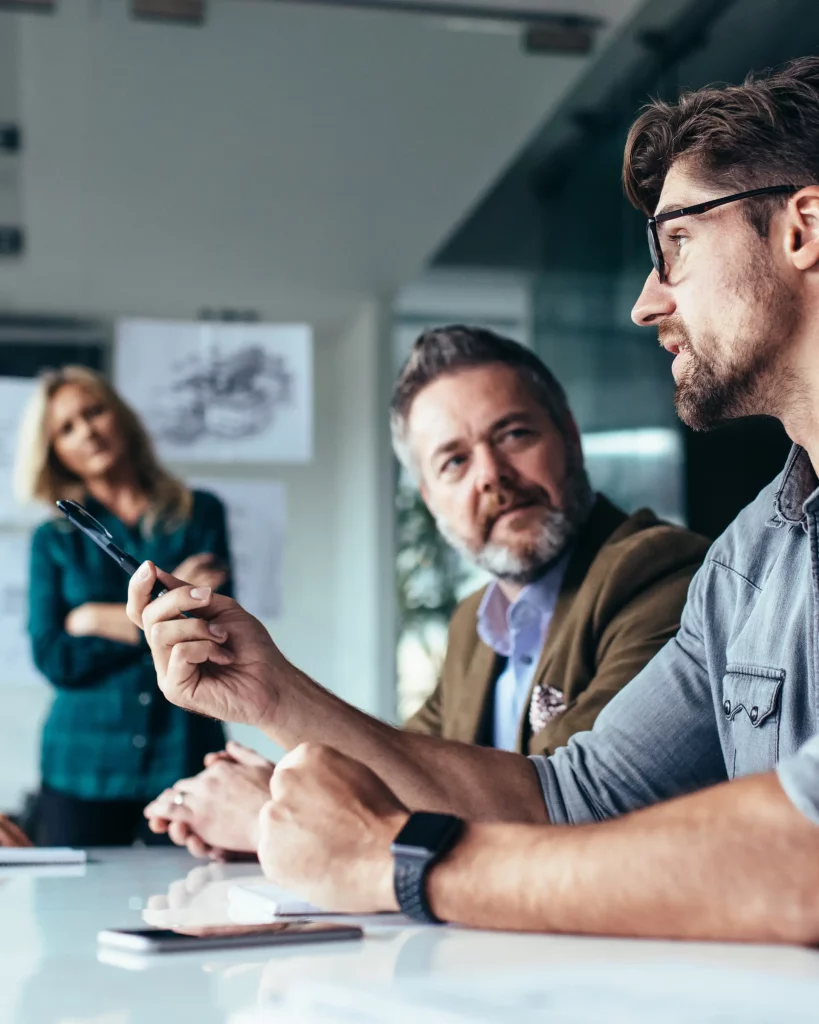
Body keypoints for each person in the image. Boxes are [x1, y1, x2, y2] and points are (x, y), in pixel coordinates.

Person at [127, 55, 819, 943]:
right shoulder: (749, 561)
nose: (647, 302)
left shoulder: (670, 570)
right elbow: (573, 797)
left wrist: (399, 861)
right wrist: (271, 694)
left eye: (675, 241)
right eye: (449, 462)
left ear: (803, 227)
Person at [144, 328, 707, 857]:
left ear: (569, 436)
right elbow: (407, 774)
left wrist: (272, 813)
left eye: (514, 435)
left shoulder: (659, 574)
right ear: (430, 497)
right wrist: (289, 785)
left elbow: (562, 812)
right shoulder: (474, 624)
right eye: (454, 461)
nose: (490, 474)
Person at [16, 366, 233, 847]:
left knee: (193, 903)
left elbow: (211, 629)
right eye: (66, 428)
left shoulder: (200, 514)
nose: (87, 431)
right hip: (83, 765)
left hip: (182, 753)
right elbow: (54, 656)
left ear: (120, 417)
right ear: (54, 451)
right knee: (72, 915)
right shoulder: (52, 541)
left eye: (94, 412)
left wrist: (92, 619)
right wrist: (161, 617)